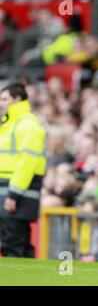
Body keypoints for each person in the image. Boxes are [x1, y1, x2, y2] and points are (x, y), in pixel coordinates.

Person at [0, 83, 47, 257]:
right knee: (16, 244)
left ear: (17, 99)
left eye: (4, 99)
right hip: (10, 191)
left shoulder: (27, 124)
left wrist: (14, 194)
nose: (1, 103)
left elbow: (27, 162)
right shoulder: (11, 124)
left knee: (14, 245)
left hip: (17, 193)